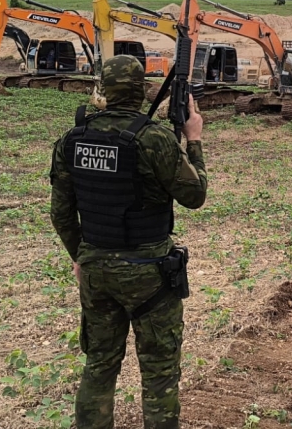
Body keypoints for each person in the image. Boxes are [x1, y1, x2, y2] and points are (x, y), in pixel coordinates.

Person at [50, 55, 207, 429]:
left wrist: (80, 256)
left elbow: (61, 214)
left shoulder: (72, 140)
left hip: (95, 270)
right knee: (159, 371)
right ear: (140, 92)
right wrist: (194, 139)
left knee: (100, 365)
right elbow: (195, 195)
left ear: (101, 90)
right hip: (149, 272)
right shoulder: (153, 138)